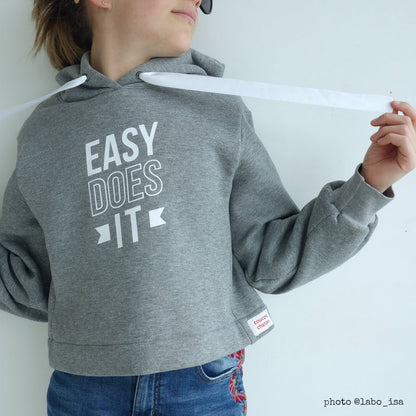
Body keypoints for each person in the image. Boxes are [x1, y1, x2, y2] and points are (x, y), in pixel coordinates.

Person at [0, 0, 415, 415]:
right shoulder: (43, 133)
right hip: (83, 389)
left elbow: (271, 262)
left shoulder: (215, 109)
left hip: (200, 384)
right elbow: (24, 282)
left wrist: (368, 186)